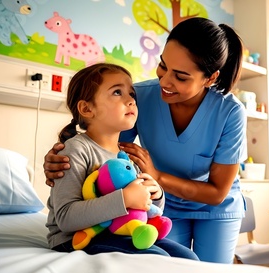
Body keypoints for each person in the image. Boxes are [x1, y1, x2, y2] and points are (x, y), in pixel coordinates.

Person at [43, 17, 247, 263]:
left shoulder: (230, 112)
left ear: (210, 78)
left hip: (214, 208)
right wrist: (60, 159)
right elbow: (104, 146)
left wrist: (156, 182)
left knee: (204, 266)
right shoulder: (141, 96)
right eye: (163, 65)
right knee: (169, 262)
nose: (164, 81)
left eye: (180, 77)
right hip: (161, 207)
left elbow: (216, 192)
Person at [45, 62, 198, 260]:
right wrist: (125, 198)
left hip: (121, 231)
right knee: (157, 259)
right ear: (87, 108)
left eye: (132, 94)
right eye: (117, 92)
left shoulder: (126, 155)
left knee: (189, 259)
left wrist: (156, 193)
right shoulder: (76, 150)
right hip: (75, 239)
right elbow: (66, 218)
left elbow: (147, 209)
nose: (131, 100)